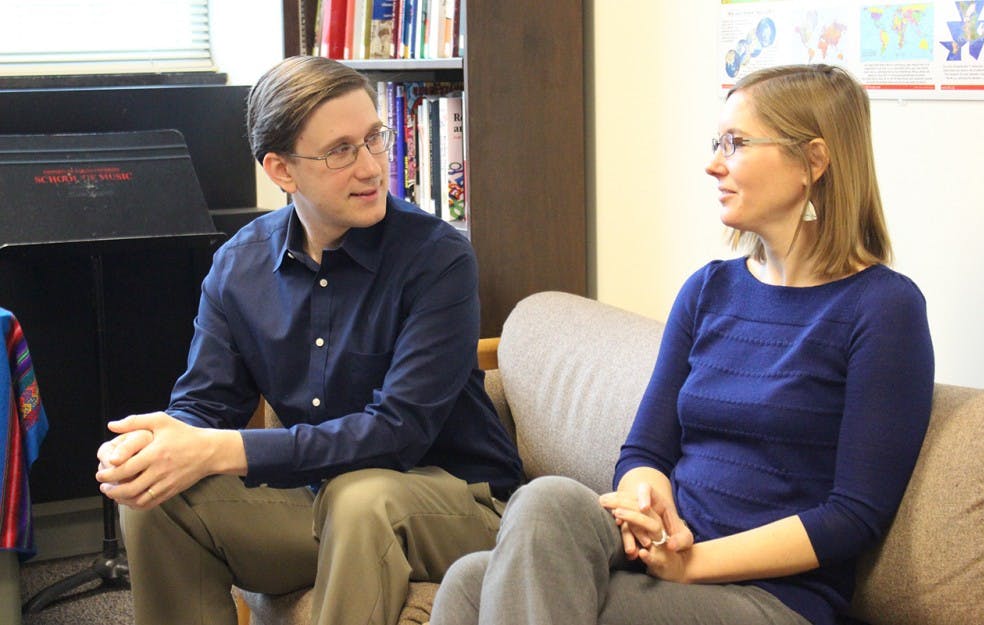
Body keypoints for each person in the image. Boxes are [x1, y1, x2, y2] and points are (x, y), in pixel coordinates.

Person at [429, 64, 934, 625]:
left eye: (736, 144)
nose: (713, 163)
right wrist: (647, 502)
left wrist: (693, 564)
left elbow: (854, 515)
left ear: (813, 161)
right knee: (525, 520)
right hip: (664, 557)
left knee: (481, 589)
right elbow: (644, 452)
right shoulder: (708, 291)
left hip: (770, 598)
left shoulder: (883, 308)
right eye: (717, 142)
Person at [94, 55, 522, 625]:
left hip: (460, 506)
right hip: (320, 499)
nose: (372, 168)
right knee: (155, 498)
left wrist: (227, 450)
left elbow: (399, 432)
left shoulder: (438, 259)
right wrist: (148, 450)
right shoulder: (239, 266)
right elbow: (204, 404)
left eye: (375, 138)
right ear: (281, 170)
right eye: (341, 151)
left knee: (359, 496)